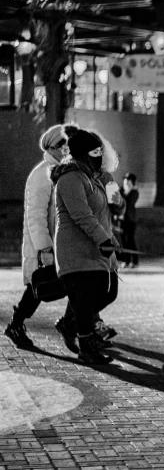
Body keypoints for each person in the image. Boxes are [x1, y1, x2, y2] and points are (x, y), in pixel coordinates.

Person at [50, 129, 123, 364]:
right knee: (87, 297)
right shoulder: (71, 178)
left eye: (101, 151)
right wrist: (104, 239)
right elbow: (82, 215)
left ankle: (72, 325)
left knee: (107, 292)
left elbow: (111, 209)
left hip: (96, 246)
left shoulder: (102, 179)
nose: (99, 155)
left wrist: (117, 203)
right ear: (82, 153)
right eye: (95, 151)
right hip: (77, 250)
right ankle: (85, 343)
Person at [3, 124, 78, 348]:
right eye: (61, 145)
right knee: (37, 289)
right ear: (51, 147)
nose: (66, 149)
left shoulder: (59, 170)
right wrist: (45, 248)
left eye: (67, 144)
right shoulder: (42, 174)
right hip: (43, 246)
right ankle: (16, 325)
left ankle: (71, 323)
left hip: (58, 243)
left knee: (71, 282)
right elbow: (35, 216)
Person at [120, 172, 139, 268]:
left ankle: (135, 261)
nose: (126, 182)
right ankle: (126, 260)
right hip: (122, 219)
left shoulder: (134, 192)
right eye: (126, 180)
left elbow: (129, 203)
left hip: (131, 219)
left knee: (131, 240)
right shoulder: (121, 191)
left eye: (129, 180)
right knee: (123, 240)